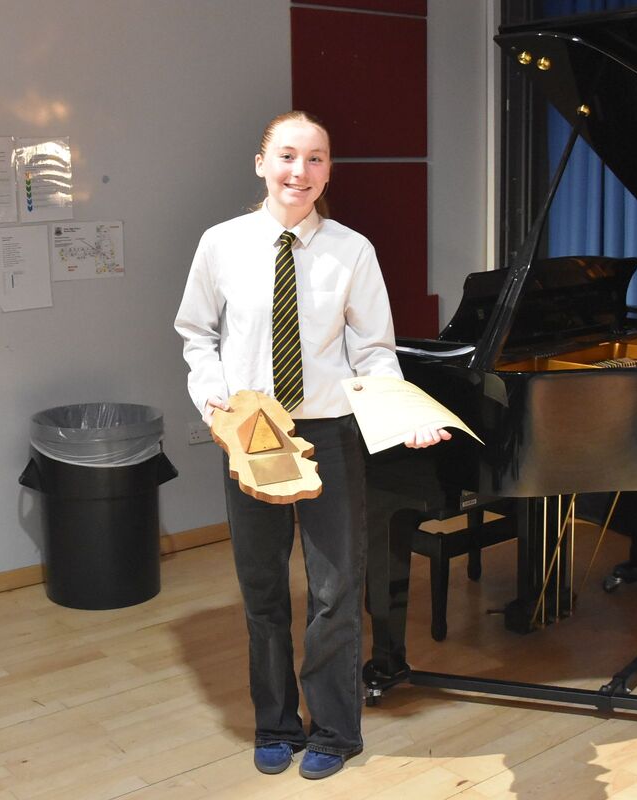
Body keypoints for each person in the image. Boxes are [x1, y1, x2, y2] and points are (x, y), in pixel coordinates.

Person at [174, 110, 449, 780]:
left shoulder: (352, 251)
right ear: (262, 162)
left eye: (317, 159)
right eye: (289, 157)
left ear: (329, 170)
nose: (301, 172)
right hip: (252, 431)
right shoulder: (221, 245)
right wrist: (215, 401)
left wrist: (401, 414)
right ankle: (275, 722)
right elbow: (196, 335)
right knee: (263, 585)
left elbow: (376, 353)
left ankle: (334, 730)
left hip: (329, 434)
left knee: (333, 588)